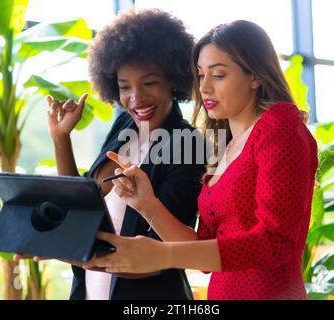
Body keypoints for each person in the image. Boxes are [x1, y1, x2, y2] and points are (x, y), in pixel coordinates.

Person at [80, 20, 319, 300]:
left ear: (255, 76)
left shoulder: (279, 127)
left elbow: (275, 243)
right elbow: (205, 249)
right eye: (200, 75)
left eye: (218, 75)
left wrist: (162, 255)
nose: (203, 88)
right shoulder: (224, 147)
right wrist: (146, 205)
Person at [17, 9, 206, 300]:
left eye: (149, 83)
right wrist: (60, 138)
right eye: (124, 87)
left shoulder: (187, 142)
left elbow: (162, 256)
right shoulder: (124, 126)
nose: (136, 98)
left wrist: (69, 250)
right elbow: (81, 203)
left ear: (173, 78)